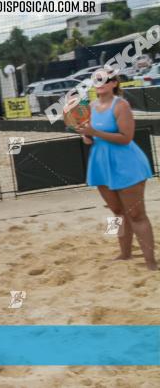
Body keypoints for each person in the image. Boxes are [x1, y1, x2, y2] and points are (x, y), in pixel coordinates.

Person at [76, 72, 156, 271]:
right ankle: (125, 254)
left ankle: (151, 263)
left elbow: (126, 138)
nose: (100, 84)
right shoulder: (91, 107)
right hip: (101, 163)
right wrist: (86, 136)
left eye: (105, 80)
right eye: (97, 80)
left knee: (136, 215)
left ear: (113, 84)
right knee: (117, 212)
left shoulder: (121, 105)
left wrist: (94, 132)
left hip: (126, 163)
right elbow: (90, 139)